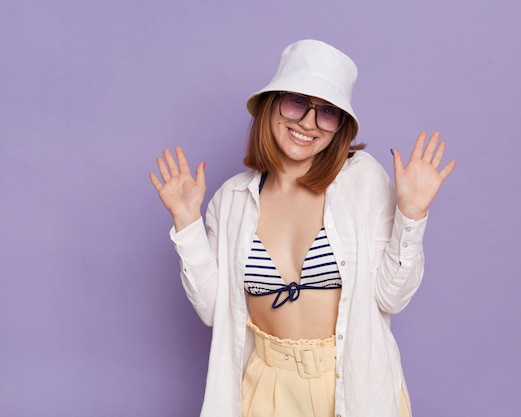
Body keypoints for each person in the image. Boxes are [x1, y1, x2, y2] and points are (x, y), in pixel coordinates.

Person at [149, 39, 455, 417]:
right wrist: (186, 221)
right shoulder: (231, 199)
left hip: (351, 386)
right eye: (296, 102)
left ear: (340, 126)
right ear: (270, 104)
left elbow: (392, 298)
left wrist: (412, 215)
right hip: (266, 388)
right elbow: (216, 310)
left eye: (327, 112)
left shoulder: (363, 182)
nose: (308, 123)